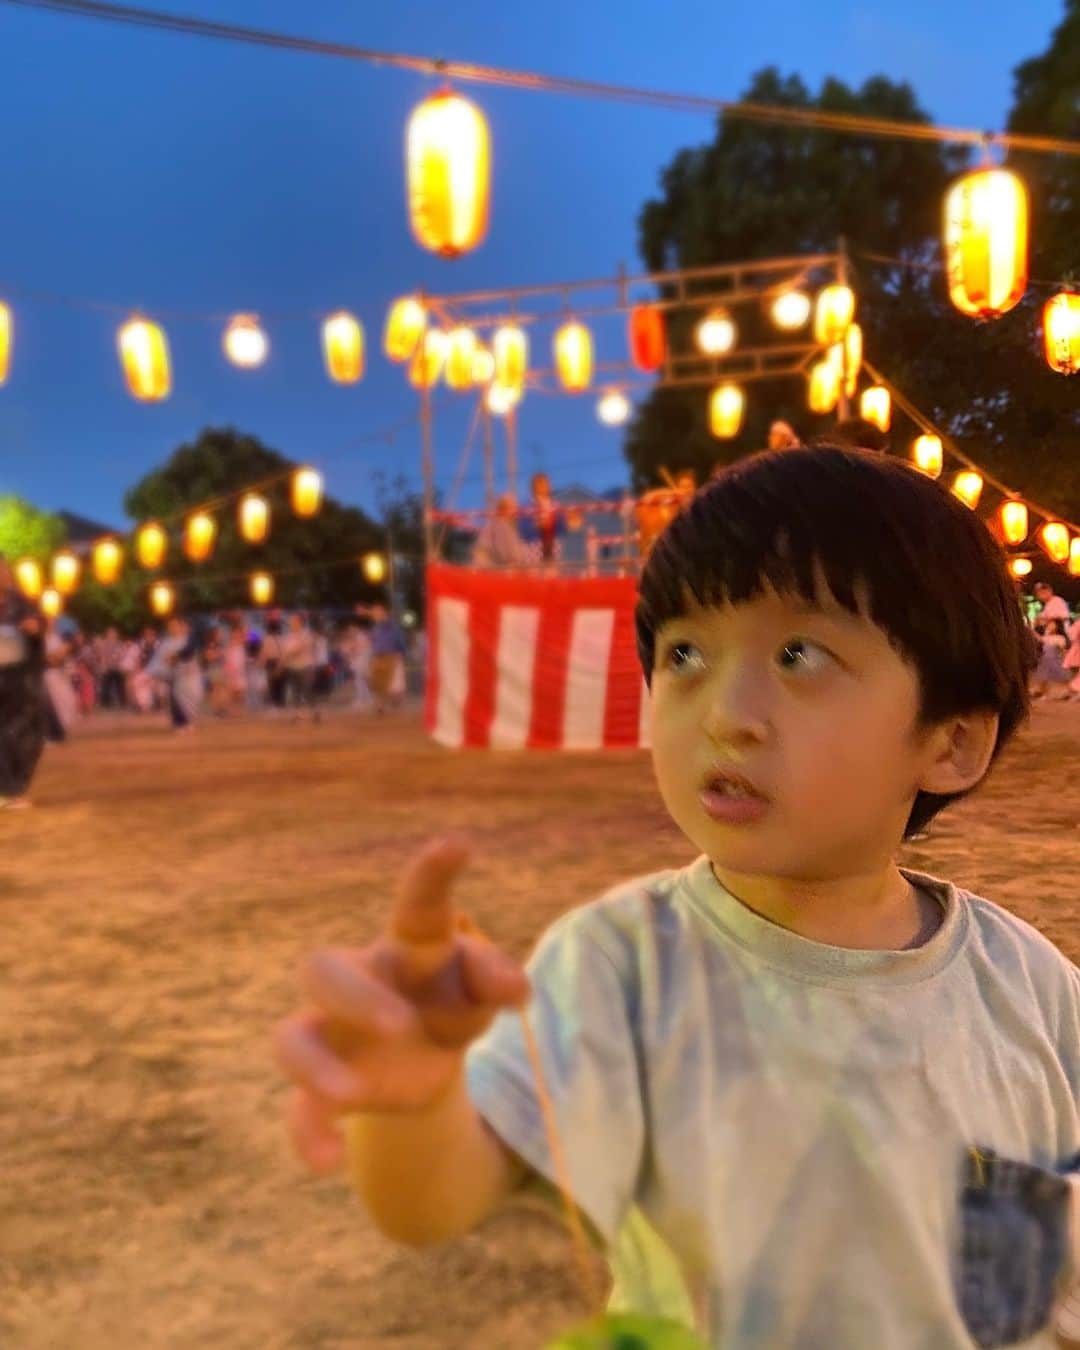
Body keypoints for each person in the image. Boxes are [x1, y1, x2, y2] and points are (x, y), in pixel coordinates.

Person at [275, 446, 1080, 1349]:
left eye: (800, 653)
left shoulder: (1034, 990)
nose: (724, 711)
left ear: (951, 742)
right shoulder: (624, 965)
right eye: (685, 652)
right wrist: (414, 1099)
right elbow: (437, 1202)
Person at [0, 555, 45, 809]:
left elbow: (40, 625)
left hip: (19, 676)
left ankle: (13, 786)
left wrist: (35, 628)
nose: (4, 574)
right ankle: (6, 790)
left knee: (28, 732)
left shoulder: (21, 602)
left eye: (4, 569)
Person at [149, 615, 202, 732]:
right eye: (170, 626)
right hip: (175, 676)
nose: (172, 628)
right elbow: (158, 660)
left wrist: (176, 656)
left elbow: (189, 652)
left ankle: (188, 721)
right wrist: (156, 673)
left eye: (175, 625)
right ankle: (180, 723)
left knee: (193, 698)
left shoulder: (188, 640)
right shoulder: (166, 643)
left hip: (191, 675)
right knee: (176, 699)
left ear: (180, 626)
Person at [357, 601, 407, 715]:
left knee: (385, 683)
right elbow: (372, 640)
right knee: (372, 679)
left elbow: (399, 639)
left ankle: (384, 704)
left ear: (384, 612)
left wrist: (365, 611)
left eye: (377, 611)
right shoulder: (376, 627)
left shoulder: (389, 624)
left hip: (390, 656)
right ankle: (385, 703)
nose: (375, 614)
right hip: (377, 656)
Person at [473, 494, 532, 570]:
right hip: (492, 569)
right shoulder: (499, 524)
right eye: (512, 508)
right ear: (503, 508)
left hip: (498, 567)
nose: (516, 512)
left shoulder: (508, 526)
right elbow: (508, 555)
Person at [282, 612, 316, 720]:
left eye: (293, 621)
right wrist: (284, 660)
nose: (291, 623)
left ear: (300, 623)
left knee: (307, 690)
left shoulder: (306, 635)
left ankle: (313, 711)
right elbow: (286, 650)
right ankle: (296, 714)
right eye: (291, 621)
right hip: (292, 666)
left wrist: (287, 656)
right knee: (295, 691)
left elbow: (299, 648)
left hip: (305, 666)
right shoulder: (289, 636)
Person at [1030, 617, 1071, 700]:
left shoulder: (1059, 637)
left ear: (1057, 626)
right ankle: (1041, 692)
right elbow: (1040, 639)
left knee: (1051, 679)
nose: (1049, 626)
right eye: (1049, 624)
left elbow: (1063, 650)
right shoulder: (1047, 636)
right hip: (1045, 661)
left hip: (1054, 662)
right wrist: (1032, 630)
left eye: (1052, 624)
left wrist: (1065, 659)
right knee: (1043, 678)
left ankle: (1051, 694)